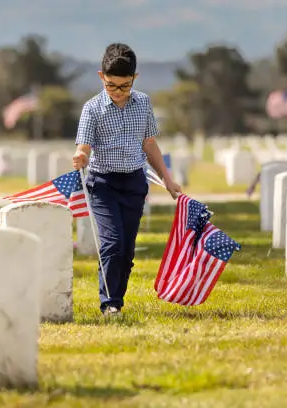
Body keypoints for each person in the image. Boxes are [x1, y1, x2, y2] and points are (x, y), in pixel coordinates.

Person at [72, 43, 182, 317]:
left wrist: (168, 181)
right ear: (101, 78)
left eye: (124, 86)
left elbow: (150, 145)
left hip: (134, 182)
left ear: (135, 79)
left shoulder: (143, 103)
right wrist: (80, 157)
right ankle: (110, 304)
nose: (118, 93)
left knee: (126, 250)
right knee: (112, 243)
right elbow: (83, 146)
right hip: (103, 184)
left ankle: (116, 298)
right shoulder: (92, 109)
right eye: (111, 85)